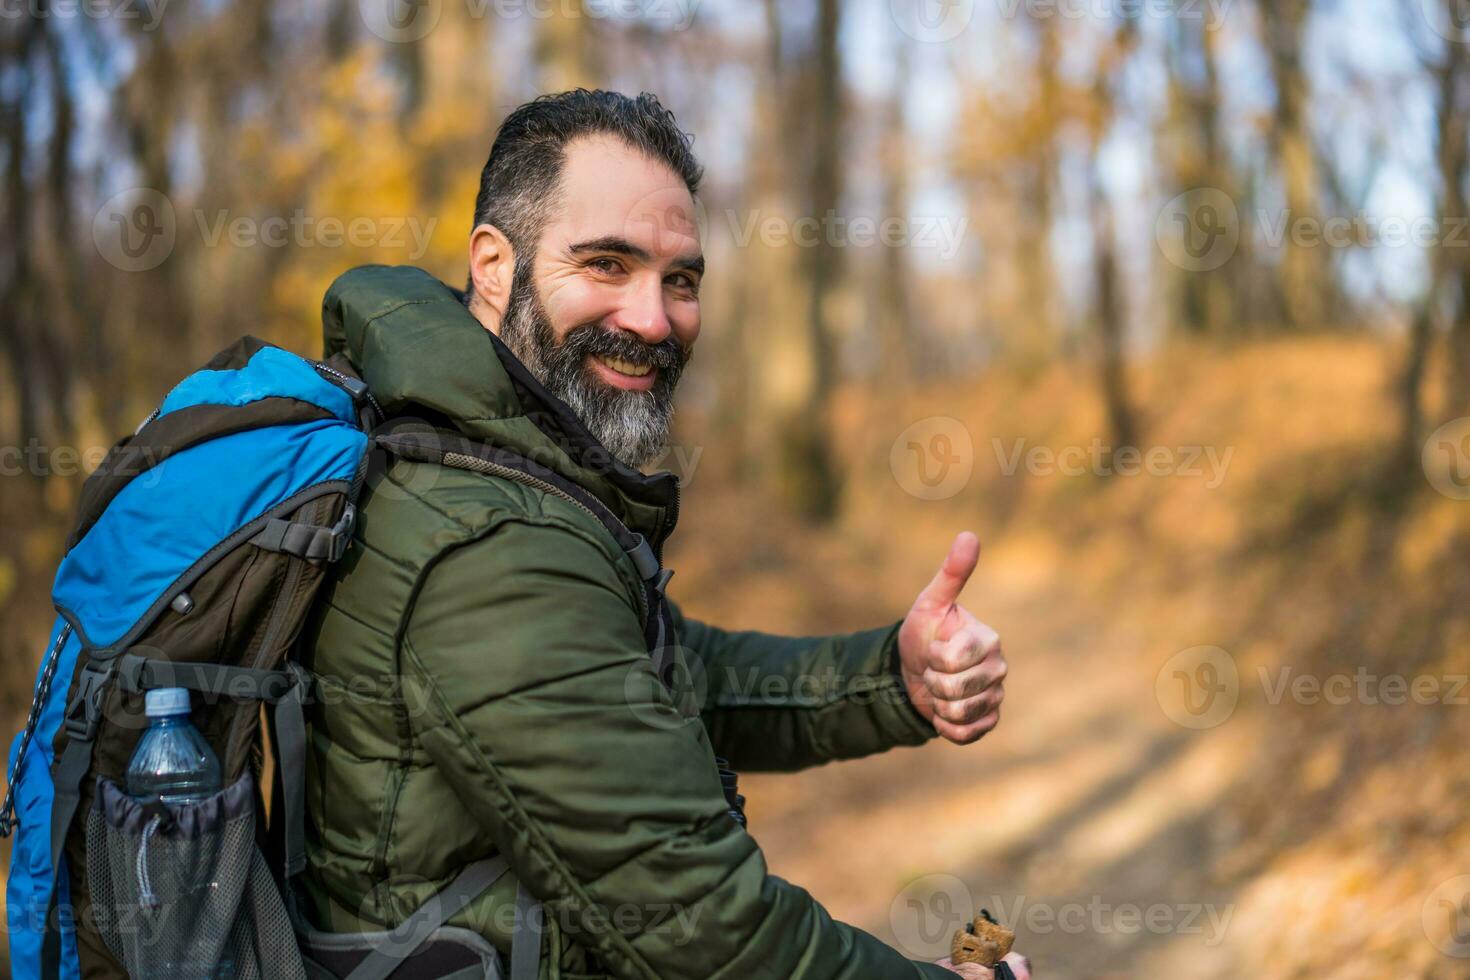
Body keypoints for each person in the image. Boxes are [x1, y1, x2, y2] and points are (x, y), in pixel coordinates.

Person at [299, 88, 1028, 980]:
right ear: (495, 264)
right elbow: (704, 925)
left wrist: (892, 678)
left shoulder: (498, 468)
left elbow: (667, 675)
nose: (654, 319)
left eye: (680, 279)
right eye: (607, 263)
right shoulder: (484, 543)